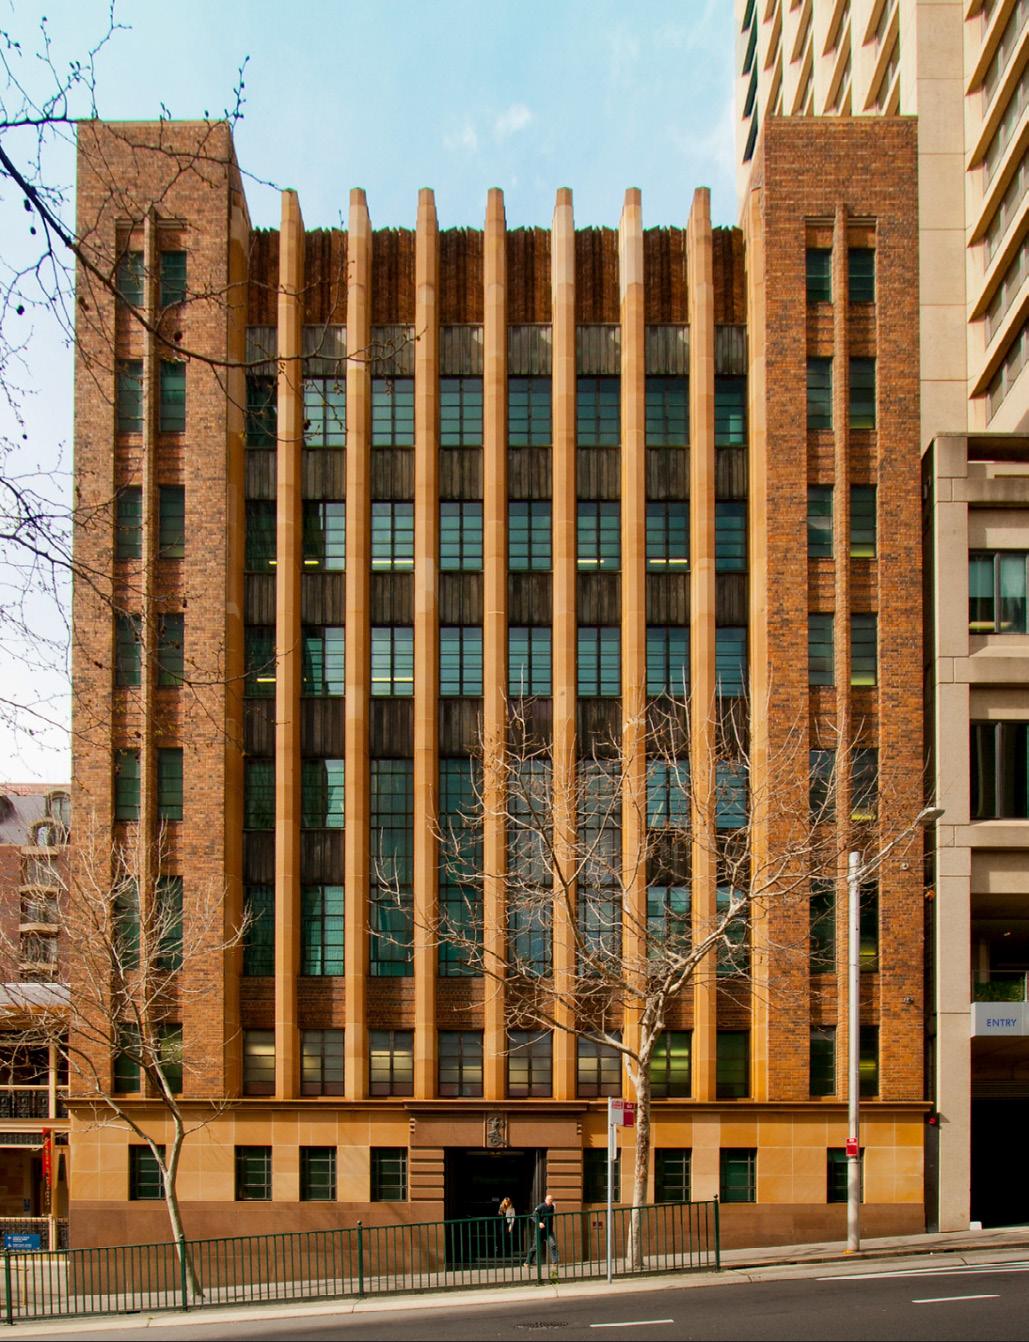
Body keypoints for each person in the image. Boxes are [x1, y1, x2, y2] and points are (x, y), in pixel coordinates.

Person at [524, 1192, 559, 1268]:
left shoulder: (552, 1207)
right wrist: (539, 1222)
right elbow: (533, 1216)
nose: (550, 1201)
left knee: (553, 1245)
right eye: (549, 1200)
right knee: (535, 1247)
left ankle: (555, 1263)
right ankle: (527, 1262)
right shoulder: (541, 1206)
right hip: (539, 1231)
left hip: (548, 1231)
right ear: (545, 1200)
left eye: (551, 1200)